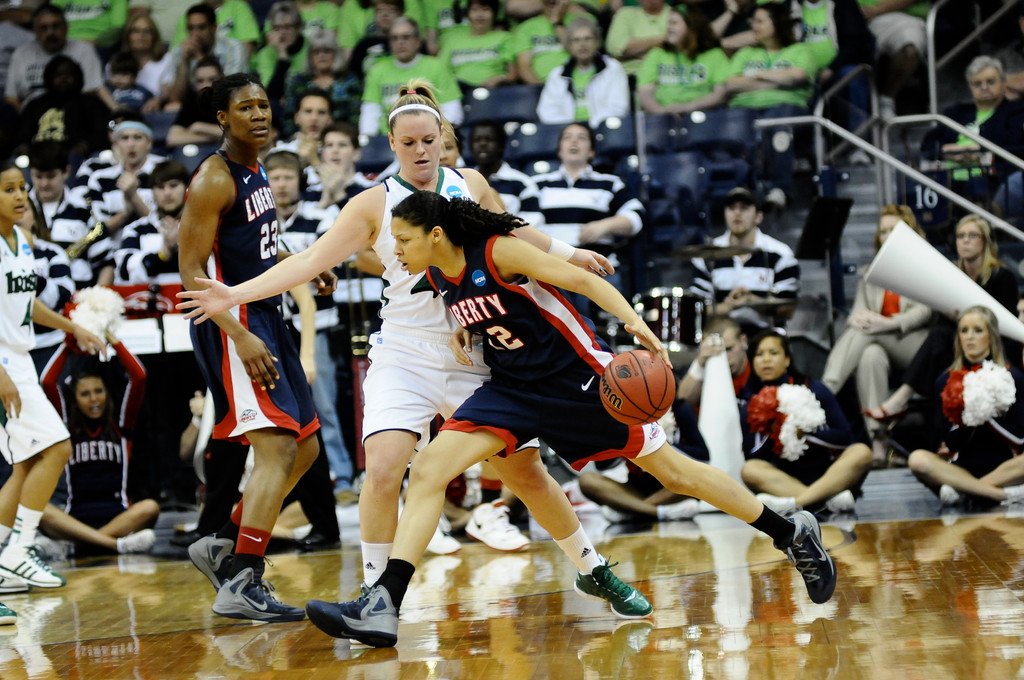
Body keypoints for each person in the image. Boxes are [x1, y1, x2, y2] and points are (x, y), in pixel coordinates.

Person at [177, 79, 660, 619]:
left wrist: (574, 253)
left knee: (525, 474)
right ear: (392, 145)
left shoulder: (470, 184)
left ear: (443, 136)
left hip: (471, 353)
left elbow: (516, 231)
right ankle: (372, 596)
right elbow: (309, 260)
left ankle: (594, 569)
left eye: (429, 140)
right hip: (402, 352)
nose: (421, 151)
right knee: (383, 468)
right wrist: (235, 293)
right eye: (408, 144)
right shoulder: (372, 203)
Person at [295, 190, 839, 647]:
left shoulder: (500, 251)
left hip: (583, 384)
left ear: (437, 233)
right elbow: (477, 309)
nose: (397, 250)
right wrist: (466, 328)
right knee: (432, 470)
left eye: (406, 240)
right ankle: (385, 601)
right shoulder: (437, 275)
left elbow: (584, 283)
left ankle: (791, 532)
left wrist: (637, 327)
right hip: (513, 391)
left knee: (676, 474)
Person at [177, 73, 323, 623]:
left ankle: (226, 544)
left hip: (264, 311)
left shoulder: (255, 165)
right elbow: (191, 271)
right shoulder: (213, 178)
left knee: (305, 448)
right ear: (222, 117)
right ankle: (242, 578)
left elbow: (257, 238)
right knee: (278, 450)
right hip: (231, 320)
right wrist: (240, 338)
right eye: (245, 107)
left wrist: (300, 265)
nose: (259, 114)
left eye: (264, 105)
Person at [0, 160, 105, 599]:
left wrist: (71, 326)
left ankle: (5, 560)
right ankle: (18, 550)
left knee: (25, 466)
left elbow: (24, 306)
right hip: (4, 364)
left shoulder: (23, 241)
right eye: (9, 190)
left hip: (19, 357)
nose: (21, 196)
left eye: (22, 188)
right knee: (58, 447)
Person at [867, 214, 1020, 427]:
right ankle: (937, 429)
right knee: (938, 344)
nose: (965, 241)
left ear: (984, 241)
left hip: (993, 346)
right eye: (960, 236)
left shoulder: (1001, 276)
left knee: (939, 340)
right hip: (958, 347)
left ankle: (902, 398)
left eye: (972, 235)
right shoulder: (951, 274)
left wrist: (962, 318)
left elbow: (1005, 327)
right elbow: (943, 324)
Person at [820, 206, 932, 467]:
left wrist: (886, 323)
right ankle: (879, 442)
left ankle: (824, 392)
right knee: (870, 356)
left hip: (915, 345)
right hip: (877, 340)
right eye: (883, 231)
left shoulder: (923, 265)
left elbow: (924, 312)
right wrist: (859, 319)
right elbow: (857, 311)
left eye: (893, 230)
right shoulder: (873, 271)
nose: (887, 235)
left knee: (866, 336)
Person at [39, 333, 160, 555]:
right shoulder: (65, 429)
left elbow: (139, 376)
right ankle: (116, 545)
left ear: (106, 393)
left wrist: (112, 338)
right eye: (85, 394)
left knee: (150, 507)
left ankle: (76, 546)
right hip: (75, 517)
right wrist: (69, 342)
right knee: (41, 510)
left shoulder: (122, 426)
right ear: (75, 400)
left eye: (98, 391)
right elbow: (47, 382)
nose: (94, 399)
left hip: (118, 515)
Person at [740, 330, 873, 516]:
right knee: (749, 470)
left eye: (773, 353)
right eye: (759, 355)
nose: (766, 359)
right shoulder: (750, 405)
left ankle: (799, 503)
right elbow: (752, 456)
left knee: (862, 452)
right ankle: (825, 501)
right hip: (786, 481)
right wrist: (772, 430)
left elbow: (844, 437)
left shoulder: (814, 388)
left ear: (787, 360)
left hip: (829, 474)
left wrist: (804, 434)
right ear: (752, 363)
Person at [906, 306, 1024, 508]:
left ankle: (967, 491)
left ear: (991, 336)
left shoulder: (1012, 377)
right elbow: (950, 444)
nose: (970, 337)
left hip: (1006, 469)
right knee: (917, 459)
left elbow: (1020, 439)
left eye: (978, 330)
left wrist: (988, 414)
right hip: (962, 469)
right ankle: (997, 495)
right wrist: (969, 416)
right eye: (964, 330)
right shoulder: (944, 382)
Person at [524, 122, 645, 313]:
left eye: (582, 138)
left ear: (592, 152)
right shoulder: (537, 184)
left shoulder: (609, 183)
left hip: (598, 271)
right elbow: (524, 226)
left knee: (600, 336)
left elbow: (636, 218)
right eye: (568, 137)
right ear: (559, 150)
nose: (574, 141)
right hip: (553, 271)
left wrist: (605, 225)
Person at [724, 2, 820, 209]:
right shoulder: (745, 53)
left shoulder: (800, 50)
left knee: (778, 124)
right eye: (753, 22)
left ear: (777, 24)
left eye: (760, 21)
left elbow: (797, 76)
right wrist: (777, 79)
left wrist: (754, 75)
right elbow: (731, 84)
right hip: (745, 111)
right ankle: (744, 189)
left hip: (789, 109)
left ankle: (778, 188)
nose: (754, 26)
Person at [689, 187, 800, 334]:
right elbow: (697, 309)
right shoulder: (707, 256)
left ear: (759, 216)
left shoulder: (780, 254)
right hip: (722, 338)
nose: (737, 213)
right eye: (731, 208)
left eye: (744, 208)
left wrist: (751, 301)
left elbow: (787, 310)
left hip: (765, 337)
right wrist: (729, 306)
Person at [578, 400, 710, 523]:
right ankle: (659, 512)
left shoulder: (678, 407)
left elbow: (703, 456)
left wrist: (659, 443)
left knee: (704, 477)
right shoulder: (618, 413)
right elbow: (602, 465)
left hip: (672, 486)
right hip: (637, 488)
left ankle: (632, 510)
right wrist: (623, 440)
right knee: (587, 480)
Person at [921, 56, 1024, 209]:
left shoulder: (1016, 111)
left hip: (993, 179)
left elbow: (1015, 142)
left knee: (976, 185)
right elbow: (927, 145)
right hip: (949, 179)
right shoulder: (956, 113)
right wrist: (947, 151)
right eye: (977, 83)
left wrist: (977, 151)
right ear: (970, 87)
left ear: (1003, 84)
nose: (984, 87)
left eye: (990, 81)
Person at [25, 140, 113, 291]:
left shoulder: (84, 209)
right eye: (38, 176)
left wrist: (95, 298)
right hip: (32, 298)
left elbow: (106, 264)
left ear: (66, 171)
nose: (44, 183)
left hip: (80, 297)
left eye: (51, 176)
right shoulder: (19, 208)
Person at [359, 18, 464, 138]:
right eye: (395, 38)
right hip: (390, 140)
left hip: (429, 137)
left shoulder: (436, 66)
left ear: (418, 41)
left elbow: (451, 107)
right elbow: (371, 111)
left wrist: (443, 137)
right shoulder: (377, 70)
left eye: (406, 37)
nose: (400, 42)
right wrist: (366, 139)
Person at [5, 4, 113, 112]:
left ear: (66, 27)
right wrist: (27, 121)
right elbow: (11, 98)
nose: (50, 33)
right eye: (44, 28)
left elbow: (91, 90)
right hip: (31, 114)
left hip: (74, 113)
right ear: (35, 31)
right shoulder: (21, 54)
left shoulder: (83, 50)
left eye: (55, 26)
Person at [537, 16, 630, 128]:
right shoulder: (557, 75)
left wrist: (589, 128)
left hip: (603, 131)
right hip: (567, 133)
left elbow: (618, 107)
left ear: (597, 42)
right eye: (576, 40)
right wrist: (572, 130)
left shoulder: (613, 68)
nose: (582, 45)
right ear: (569, 46)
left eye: (588, 39)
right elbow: (546, 110)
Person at [636, 6, 730, 116]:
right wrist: (662, 112)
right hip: (662, 116)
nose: (668, 28)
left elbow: (720, 94)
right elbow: (645, 92)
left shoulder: (714, 55)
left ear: (692, 28)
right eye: (668, 23)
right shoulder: (658, 53)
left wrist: (687, 107)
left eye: (674, 23)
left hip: (703, 114)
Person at [15, 54, 111, 158]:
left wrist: (83, 147)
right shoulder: (34, 105)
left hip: (76, 158)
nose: (64, 79)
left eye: (69, 75)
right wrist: (24, 149)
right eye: (58, 75)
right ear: (49, 78)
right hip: (36, 158)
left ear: (78, 77)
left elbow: (100, 134)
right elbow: (21, 135)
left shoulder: (91, 103)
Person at [114, 159, 188, 285]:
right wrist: (163, 255)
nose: (167, 193)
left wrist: (181, 246)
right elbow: (124, 272)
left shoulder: (202, 227)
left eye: (173, 185)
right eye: (160, 187)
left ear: (187, 188)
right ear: (152, 192)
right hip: (150, 302)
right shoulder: (136, 229)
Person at [85, 118, 165, 236]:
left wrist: (133, 197)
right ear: (116, 144)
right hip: (113, 250)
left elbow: (167, 227)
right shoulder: (100, 178)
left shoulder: (164, 171)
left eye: (137, 137)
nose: (131, 144)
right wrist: (125, 213)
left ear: (149, 143)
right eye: (124, 138)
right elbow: (96, 232)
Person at [161, 3, 246, 109]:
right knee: (171, 107)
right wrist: (184, 61)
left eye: (201, 27)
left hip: (227, 106)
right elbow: (175, 98)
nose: (195, 34)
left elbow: (229, 92)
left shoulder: (233, 48)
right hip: (194, 104)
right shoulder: (179, 51)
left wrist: (201, 60)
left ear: (214, 27)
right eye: (191, 28)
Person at [282, 29, 361, 138]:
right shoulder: (298, 82)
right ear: (310, 56)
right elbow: (289, 117)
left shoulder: (350, 82)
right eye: (316, 51)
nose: (321, 55)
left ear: (336, 53)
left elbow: (355, 119)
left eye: (327, 51)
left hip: (340, 139)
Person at [857, 0, 928, 121]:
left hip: (902, 16)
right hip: (845, 16)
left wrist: (874, 10)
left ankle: (886, 100)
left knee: (909, 48)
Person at [468, 120, 540, 221]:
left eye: (489, 139)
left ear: (501, 146)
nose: (482, 144)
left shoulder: (522, 183)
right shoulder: (463, 181)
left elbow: (533, 221)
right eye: (477, 140)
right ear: (470, 148)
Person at [676, 316, 752, 409]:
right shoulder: (703, 369)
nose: (725, 358)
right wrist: (699, 363)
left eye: (729, 349)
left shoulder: (759, 369)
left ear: (743, 341)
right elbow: (682, 403)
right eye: (719, 351)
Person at [437, 0, 515, 89]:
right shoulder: (452, 41)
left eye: (486, 10)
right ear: (468, 14)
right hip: (458, 91)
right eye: (474, 10)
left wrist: (499, 79)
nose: (480, 15)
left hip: (493, 90)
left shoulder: (505, 37)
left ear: (494, 14)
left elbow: (512, 74)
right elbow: (441, 72)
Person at [252, 1, 307, 104]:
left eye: (287, 27)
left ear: (298, 28)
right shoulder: (266, 53)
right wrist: (282, 57)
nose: (282, 33)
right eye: (277, 28)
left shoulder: (311, 47)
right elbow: (271, 94)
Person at [166, 56, 225, 149]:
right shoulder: (192, 101)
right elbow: (172, 138)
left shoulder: (233, 99)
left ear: (222, 79)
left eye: (212, 79)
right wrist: (216, 137)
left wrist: (200, 127)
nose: (206, 85)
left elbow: (241, 135)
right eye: (200, 81)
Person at [117, 12, 171, 111]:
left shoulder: (166, 60)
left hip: (152, 112)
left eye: (147, 31)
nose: (141, 35)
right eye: (136, 31)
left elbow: (168, 91)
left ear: (154, 36)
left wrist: (158, 100)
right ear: (128, 35)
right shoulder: (116, 62)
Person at [605, 0, 671, 76]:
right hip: (630, 75)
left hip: (667, 75)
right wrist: (662, 39)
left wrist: (635, 50)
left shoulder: (675, 14)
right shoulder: (625, 14)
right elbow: (615, 48)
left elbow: (681, 47)